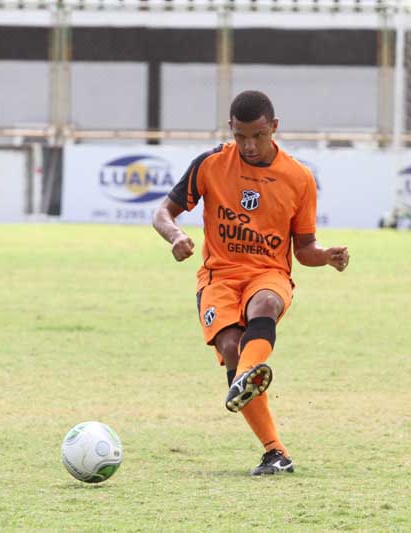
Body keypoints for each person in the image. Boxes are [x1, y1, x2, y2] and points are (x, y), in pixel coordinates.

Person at [152, 90, 349, 475]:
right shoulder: (210, 164)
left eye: (258, 135)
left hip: (268, 274)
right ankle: (275, 452)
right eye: (241, 136)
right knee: (230, 345)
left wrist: (324, 256)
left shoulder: (298, 178)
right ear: (231, 128)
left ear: (274, 128)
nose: (249, 145)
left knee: (265, 306)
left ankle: (243, 375)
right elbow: (163, 211)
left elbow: (304, 247)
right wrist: (175, 236)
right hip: (218, 276)